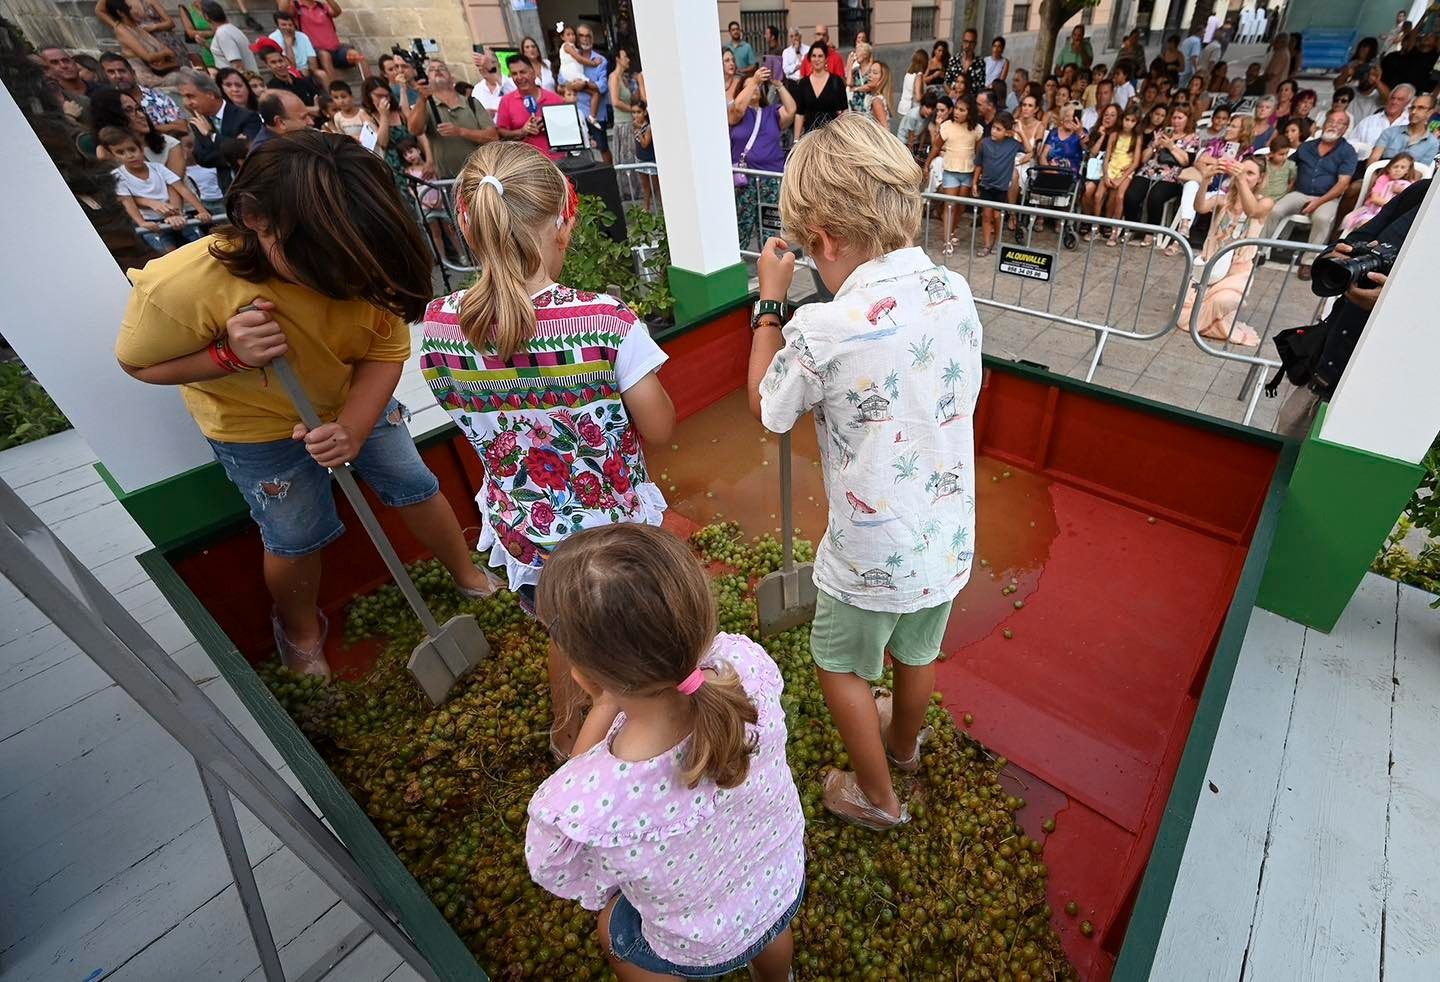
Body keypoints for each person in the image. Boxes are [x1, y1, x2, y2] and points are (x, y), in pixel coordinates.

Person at [116, 132, 496, 679]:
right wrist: (228, 356)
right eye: (321, 263)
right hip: (259, 431)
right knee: (295, 533)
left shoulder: (363, 259)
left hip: (355, 400)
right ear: (254, 217)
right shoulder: (183, 286)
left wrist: (354, 429)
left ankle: (468, 574)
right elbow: (138, 364)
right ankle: (300, 630)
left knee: (414, 484)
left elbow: (385, 352)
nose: (343, 281)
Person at [747, 112, 981, 829]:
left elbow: (768, 408)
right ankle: (904, 747)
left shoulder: (822, 328)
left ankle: (877, 798)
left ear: (822, 240)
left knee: (841, 666)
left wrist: (770, 303)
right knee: (918, 648)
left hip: (869, 553)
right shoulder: (954, 292)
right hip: (946, 537)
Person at [421, 141, 674, 732]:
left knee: (566, 632)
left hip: (527, 536)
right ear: (563, 225)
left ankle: (566, 729)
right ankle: (629, 732)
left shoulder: (437, 327)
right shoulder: (605, 322)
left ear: (468, 227)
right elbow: (659, 428)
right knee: (627, 638)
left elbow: (470, 415)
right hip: (613, 537)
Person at [524, 524, 804, 981]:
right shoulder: (747, 671)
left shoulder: (586, 800)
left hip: (692, 943)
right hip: (776, 887)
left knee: (612, 932)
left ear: (585, 677)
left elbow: (559, 864)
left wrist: (602, 706)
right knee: (771, 934)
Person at [1274, 176, 1430, 437]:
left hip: (1380, 409)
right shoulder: (1422, 194)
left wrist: (1395, 304)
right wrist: (1336, 256)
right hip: (1323, 377)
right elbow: (1351, 242)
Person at [1179, 155, 1273, 346]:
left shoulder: (1265, 203)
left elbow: (1252, 210)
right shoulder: (1224, 199)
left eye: (1250, 173)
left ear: (1260, 179)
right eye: (1241, 171)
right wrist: (1205, 179)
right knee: (1184, 315)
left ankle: (1212, 324)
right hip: (1212, 263)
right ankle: (1205, 323)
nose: (1244, 177)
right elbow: (1200, 206)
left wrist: (1240, 180)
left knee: (1223, 300)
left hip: (1238, 269)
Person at [1262, 110, 1360, 280]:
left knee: (1322, 219)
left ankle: (1308, 262)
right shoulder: (1307, 146)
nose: (1334, 125)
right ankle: (1260, 250)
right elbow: (1287, 164)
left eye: (1340, 122)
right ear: (1324, 124)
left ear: (1345, 128)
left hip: (1327, 197)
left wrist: (1318, 202)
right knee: (1275, 209)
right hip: (1300, 193)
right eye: (1331, 121)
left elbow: (1343, 184)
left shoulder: (1347, 151)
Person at [104, 127, 207, 253]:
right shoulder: (118, 175)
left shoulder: (157, 168)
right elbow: (127, 201)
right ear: (114, 156)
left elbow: (181, 188)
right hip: (151, 220)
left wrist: (201, 211)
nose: (129, 156)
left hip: (176, 214)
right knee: (168, 253)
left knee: (200, 244)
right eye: (121, 152)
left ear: (141, 149)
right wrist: (141, 222)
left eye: (132, 150)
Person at [728, 67, 795, 251]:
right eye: (748, 85)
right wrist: (755, 81)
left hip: (771, 180)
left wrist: (779, 85)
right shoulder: (736, 114)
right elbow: (738, 107)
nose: (755, 88)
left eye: (757, 85)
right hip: (745, 181)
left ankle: (770, 265)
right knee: (743, 226)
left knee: (769, 229)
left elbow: (791, 110)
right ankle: (738, 265)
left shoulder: (771, 112)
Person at [408, 58, 500, 178]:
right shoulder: (424, 106)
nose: (437, 70)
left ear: (451, 77)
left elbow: (493, 137)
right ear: (427, 79)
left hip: (480, 176)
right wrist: (421, 98)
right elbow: (414, 130)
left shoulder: (471, 103)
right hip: (449, 180)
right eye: (432, 70)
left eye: (442, 68)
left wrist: (460, 131)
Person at [1123, 104, 1200, 239]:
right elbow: (1143, 159)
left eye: (1180, 118)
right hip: (1149, 171)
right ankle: (1130, 228)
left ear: (1188, 119)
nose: (1175, 121)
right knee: (1131, 195)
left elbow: (1186, 162)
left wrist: (1171, 147)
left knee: (1156, 196)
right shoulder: (1161, 132)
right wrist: (1154, 146)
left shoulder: (1193, 138)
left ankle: (1150, 233)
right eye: (1174, 117)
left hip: (1172, 176)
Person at [179, 69, 262, 192]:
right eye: (184, 97)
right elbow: (203, 158)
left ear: (210, 94)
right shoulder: (199, 122)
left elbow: (251, 152)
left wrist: (211, 136)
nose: (187, 103)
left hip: (255, 185)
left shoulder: (246, 117)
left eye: (190, 96)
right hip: (228, 190)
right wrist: (233, 150)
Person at [89, 88, 188, 177]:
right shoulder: (107, 153)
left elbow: (175, 188)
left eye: (138, 109)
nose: (141, 115)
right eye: (129, 110)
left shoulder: (170, 145)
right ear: (112, 117)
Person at [929, 94, 982, 255]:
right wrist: (926, 164)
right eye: (956, 108)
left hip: (967, 172)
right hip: (950, 171)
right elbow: (936, 147)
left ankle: (951, 232)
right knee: (949, 206)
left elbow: (979, 153)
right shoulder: (947, 126)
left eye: (962, 110)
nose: (957, 112)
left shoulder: (977, 130)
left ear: (970, 112)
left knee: (960, 207)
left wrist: (977, 177)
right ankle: (946, 242)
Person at [492, 55, 567, 162]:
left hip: (557, 162)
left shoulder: (556, 99)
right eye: (514, 74)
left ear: (533, 73)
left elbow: (568, 130)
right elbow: (501, 133)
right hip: (525, 165)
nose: (519, 77)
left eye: (523, 72)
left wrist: (549, 125)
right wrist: (522, 131)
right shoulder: (506, 101)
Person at [98, 52, 186, 137]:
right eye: (111, 72)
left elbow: (182, 128)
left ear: (133, 73)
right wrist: (165, 129)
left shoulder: (159, 98)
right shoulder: (109, 106)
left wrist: (147, 129)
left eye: (122, 71)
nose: (118, 76)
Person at [277, 0, 368, 81]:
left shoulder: (322, 6)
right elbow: (282, 10)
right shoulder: (296, 6)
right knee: (325, 55)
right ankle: (335, 89)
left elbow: (337, 12)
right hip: (316, 51)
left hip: (336, 49)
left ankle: (371, 87)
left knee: (358, 56)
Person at [93, 2, 180, 85]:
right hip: (143, 75)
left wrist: (163, 54)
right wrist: (164, 53)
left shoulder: (136, 27)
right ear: (120, 13)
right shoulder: (121, 29)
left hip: (160, 70)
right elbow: (148, 57)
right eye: (131, 8)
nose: (137, 11)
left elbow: (165, 50)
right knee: (179, 78)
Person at [975, 111, 1024, 257]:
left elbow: (1028, 149)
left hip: (1001, 187)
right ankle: (986, 244)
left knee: (997, 217)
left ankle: (997, 243)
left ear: (1007, 132)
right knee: (986, 215)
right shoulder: (985, 143)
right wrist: (974, 183)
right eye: (993, 127)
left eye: (999, 129)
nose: (994, 131)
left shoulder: (1013, 144)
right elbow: (978, 164)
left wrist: (1020, 132)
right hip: (986, 185)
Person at [1094, 106, 1144, 246]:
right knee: (1098, 196)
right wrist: (1106, 174)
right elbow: (1107, 156)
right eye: (1126, 119)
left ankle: (1114, 231)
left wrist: (1121, 178)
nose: (1128, 123)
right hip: (1110, 168)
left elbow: (1135, 162)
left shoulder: (1137, 138)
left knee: (1120, 197)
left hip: (1125, 171)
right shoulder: (1114, 135)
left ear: (1136, 123)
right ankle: (1096, 227)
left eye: (1132, 121)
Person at [1341, 152, 1417, 234]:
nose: (1398, 170)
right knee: (1365, 223)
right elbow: (1374, 198)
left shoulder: (1409, 185)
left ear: (1407, 170)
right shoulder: (1384, 179)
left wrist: (1402, 191)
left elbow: (1407, 205)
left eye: (1402, 167)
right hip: (1372, 212)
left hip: (1391, 217)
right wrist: (1392, 205)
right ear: (1389, 168)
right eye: (1395, 166)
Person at [569, 26, 611, 160]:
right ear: (577, 38)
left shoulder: (601, 60)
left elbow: (603, 87)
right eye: (581, 35)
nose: (585, 39)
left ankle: (610, 178)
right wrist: (575, 85)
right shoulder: (573, 58)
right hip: (578, 113)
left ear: (592, 38)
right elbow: (562, 81)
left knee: (603, 147)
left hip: (597, 115)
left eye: (588, 36)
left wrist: (584, 84)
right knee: (580, 150)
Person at [1368, 92, 1438, 167]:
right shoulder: (1390, 132)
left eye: (1420, 108)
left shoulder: (1432, 143)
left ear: (1430, 113)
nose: (1413, 112)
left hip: (1408, 178)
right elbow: (1373, 160)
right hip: (1380, 175)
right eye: (1412, 108)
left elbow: (1420, 172)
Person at [793, 42, 846, 138]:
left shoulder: (836, 81)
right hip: (810, 137)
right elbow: (799, 114)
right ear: (809, 58)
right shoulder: (803, 84)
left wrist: (843, 136)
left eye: (820, 56)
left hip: (832, 136)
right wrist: (796, 140)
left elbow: (844, 112)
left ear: (826, 59)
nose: (817, 59)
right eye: (814, 56)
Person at [609, 47, 645, 168]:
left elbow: (632, 100)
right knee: (627, 163)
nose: (628, 60)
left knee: (634, 161)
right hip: (622, 125)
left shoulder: (624, 78)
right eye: (625, 57)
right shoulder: (613, 77)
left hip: (630, 123)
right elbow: (615, 101)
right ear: (618, 59)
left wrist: (640, 84)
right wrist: (633, 110)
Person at [1352, 83, 1415, 153]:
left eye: (1400, 99)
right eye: (1392, 98)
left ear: (1408, 103)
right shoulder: (1369, 121)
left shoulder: (1410, 124)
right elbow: (1351, 143)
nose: (1394, 102)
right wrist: (1365, 149)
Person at [200, 1, 256, 72]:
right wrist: (205, 44)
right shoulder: (232, 29)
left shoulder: (223, 33)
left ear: (206, 16)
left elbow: (238, 66)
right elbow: (223, 54)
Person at [268, 9, 321, 81]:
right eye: (284, 25)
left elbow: (312, 60)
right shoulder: (272, 38)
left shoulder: (302, 36)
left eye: (290, 25)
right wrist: (288, 44)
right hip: (287, 72)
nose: (288, 27)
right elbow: (291, 67)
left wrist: (311, 71)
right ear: (278, 27)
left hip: (306, 70)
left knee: (321, 74)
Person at [556, 23, 601, 89]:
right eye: (568, 35)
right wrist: (593, 63)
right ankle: (568, 87)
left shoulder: (574, 48)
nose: (571, 37)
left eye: (573, 34)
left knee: (594, 92)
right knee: (593, 87)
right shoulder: (567, 46)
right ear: (562, 37)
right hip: (571, 73)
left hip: (575, 73)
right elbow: (579, 59)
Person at [471, 50, 516, 116]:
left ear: (499, 65)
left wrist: (491, 68)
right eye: (481, 64)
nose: (485, 66)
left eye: (491, 62)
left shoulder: (513, 82)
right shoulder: (477, 90)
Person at [948, 27, 987, 95]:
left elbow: (981, 86)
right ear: (962, 42)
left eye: (971, 42)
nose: (968, 45)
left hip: (971, 100)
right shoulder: (953, 60)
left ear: (975, 44)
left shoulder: (980, 63)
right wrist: (951, 93)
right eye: (966, 41)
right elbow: (946, 82)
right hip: (955, 100)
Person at [179, 2, 216, 69]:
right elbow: (190, 33)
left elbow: (222, 24)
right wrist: (212, 33)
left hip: (219, 43)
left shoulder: (212, 5)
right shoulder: (186, 7)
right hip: (205, 46)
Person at [897, 49, 927, 125]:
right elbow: (918, 97)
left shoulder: (908, 74)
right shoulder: (919, 75)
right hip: (910, 109)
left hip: (902, 107)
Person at [1263, 133, 1296, 200]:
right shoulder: (1265, 164)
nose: (1285, 157)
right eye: (1281, 154)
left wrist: (1287, 193)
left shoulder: (1290, 165)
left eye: (1287, 153)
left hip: (1281, 199)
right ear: (1271, 154)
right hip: (1264, 198)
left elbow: (1292, 181)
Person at [868, 58, 892, 128]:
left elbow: (885, 129)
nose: (869, 75)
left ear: (882, 79)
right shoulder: (877, 98)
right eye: (869, 72)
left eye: (874, 73)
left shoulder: (876, 101)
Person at [1180, 23, 1204, 87]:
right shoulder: (1196, 42)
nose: (1204, 35)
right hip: (1188, 68)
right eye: (1203, 33)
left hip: (1182, 65)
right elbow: (1194, 57)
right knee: (1183, 86)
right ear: (1200, 32)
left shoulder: (1187, 39)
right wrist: (1196, 69)